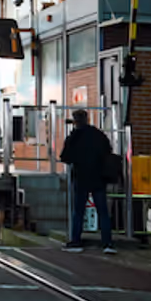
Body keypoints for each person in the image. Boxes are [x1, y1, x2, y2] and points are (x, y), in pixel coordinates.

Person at [60, 109, 116, 254]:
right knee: (103, 211)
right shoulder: (99, 135)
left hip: (81, 177)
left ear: (75, 121)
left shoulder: (74, 136)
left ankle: (76, 241)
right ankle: (107, 244)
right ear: (87, 119)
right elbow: (108, 152)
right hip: (99, 178)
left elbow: (65, 157)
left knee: (78, 211)